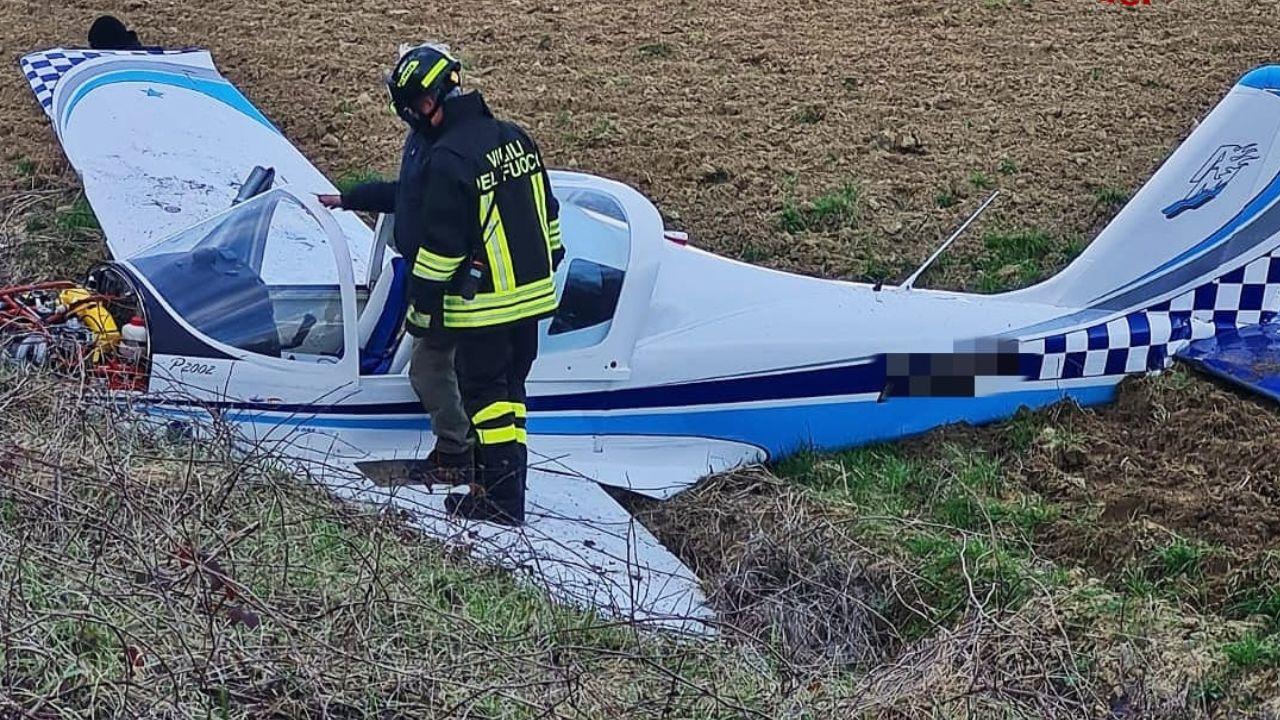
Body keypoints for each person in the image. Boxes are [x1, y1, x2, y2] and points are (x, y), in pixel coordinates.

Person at [322, 44, 563, 525]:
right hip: (532, 298)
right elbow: (547, 215)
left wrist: (422, 305)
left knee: (487, 400)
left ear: (430, 101)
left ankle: (499, 500)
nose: (412, 118)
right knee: (510, 397)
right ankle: (506, 488)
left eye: (413, 108)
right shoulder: (514, 138)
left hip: (485, 304)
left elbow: (442, 249)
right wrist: (546, 263)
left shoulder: (451, 156)